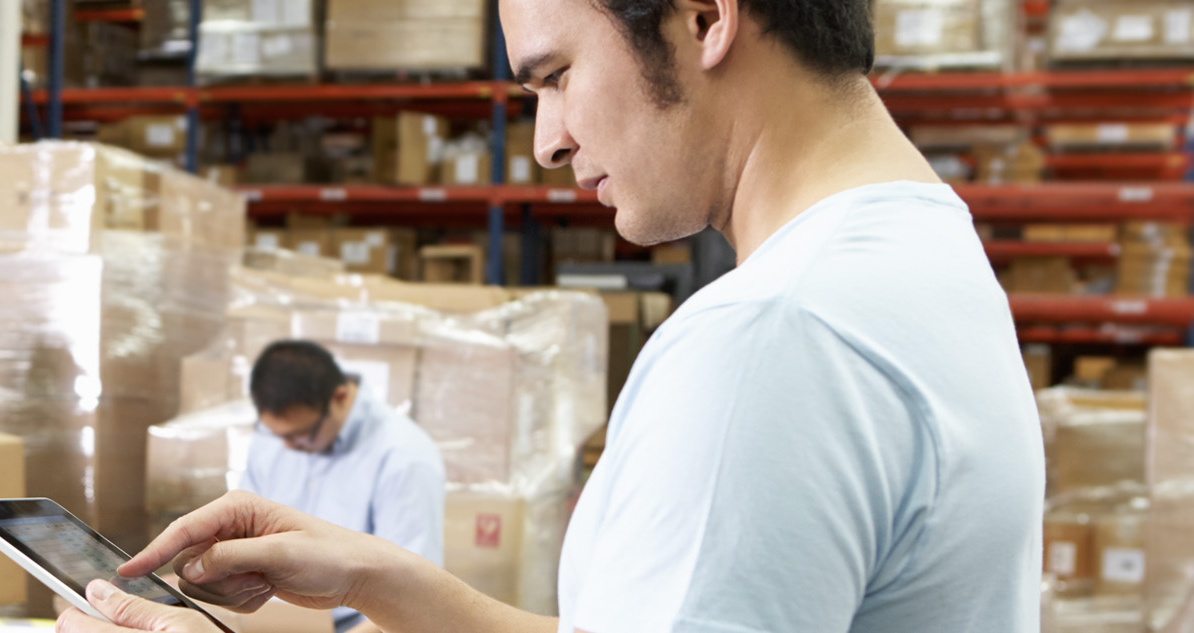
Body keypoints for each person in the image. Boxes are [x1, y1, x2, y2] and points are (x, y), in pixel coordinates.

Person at [55, 0, 1044, 632]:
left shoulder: (770, 340)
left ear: (704, 17)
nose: (546, 143)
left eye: (556, 75)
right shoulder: (920, 253)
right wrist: (381, 579)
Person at [240, 341, 444, 633]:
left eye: (300, 435)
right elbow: (244, 535)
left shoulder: (404, 456)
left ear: (340, 397)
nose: (288, 447)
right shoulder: (272, 439)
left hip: (357, 625)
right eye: (278, 435)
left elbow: (416, 595)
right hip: (264, 617)